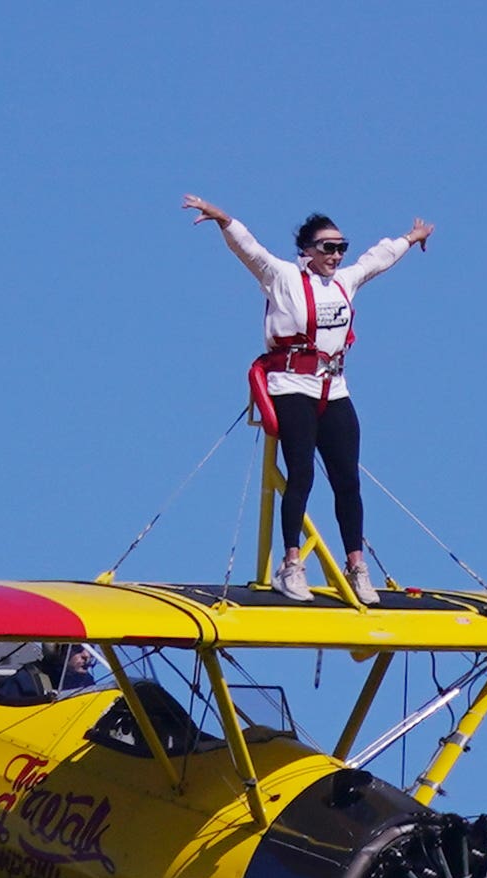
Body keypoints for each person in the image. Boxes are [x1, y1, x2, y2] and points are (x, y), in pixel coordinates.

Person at [183, 196, 434, 603]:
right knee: (301, 474)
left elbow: (377, 259)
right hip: (290, 386)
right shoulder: (281, 276)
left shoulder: (344, 282)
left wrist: (410, 237)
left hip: (333, 388)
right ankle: (291, 564)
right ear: (307, 251)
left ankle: (357, 567)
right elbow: (250, 250)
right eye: (327, 247)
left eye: (340, 247)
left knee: (347, 480)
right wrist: (224, 219)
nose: (336, 255)